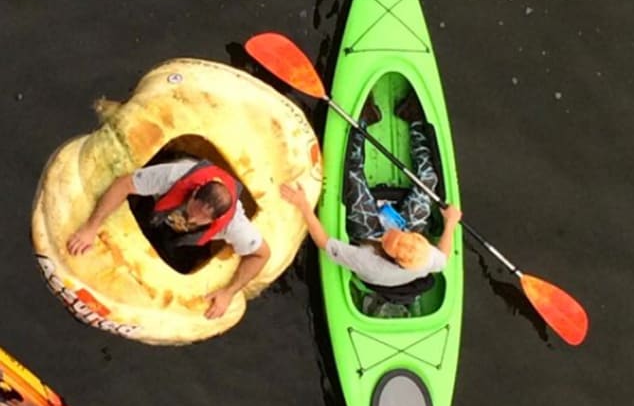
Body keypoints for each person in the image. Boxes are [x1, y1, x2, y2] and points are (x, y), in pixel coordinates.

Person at [281, 92, 462, 291]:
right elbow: (443, 258)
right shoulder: (425, 255)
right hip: (398, 239)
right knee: (429, 180)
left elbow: (324, 242)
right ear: (416, 238)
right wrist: (450, 222)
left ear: (393, 258)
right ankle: (414, 121)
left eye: (390, 240)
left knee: (353, 178)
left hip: (369, 236)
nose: (392, 232)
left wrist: (304, 206)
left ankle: (363, 124)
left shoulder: (366, 260)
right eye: (400, 235)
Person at [66, 158, 271, 319]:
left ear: (217, 219)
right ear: (195, 191)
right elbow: (124, 184)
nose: (192, 218)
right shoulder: (174, 176)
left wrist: (229, 292)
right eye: (194, 208)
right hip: (158, 207)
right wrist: (90, 227)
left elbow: (261, 254)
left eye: (203, 218)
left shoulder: (234, 224)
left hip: (185, 241)